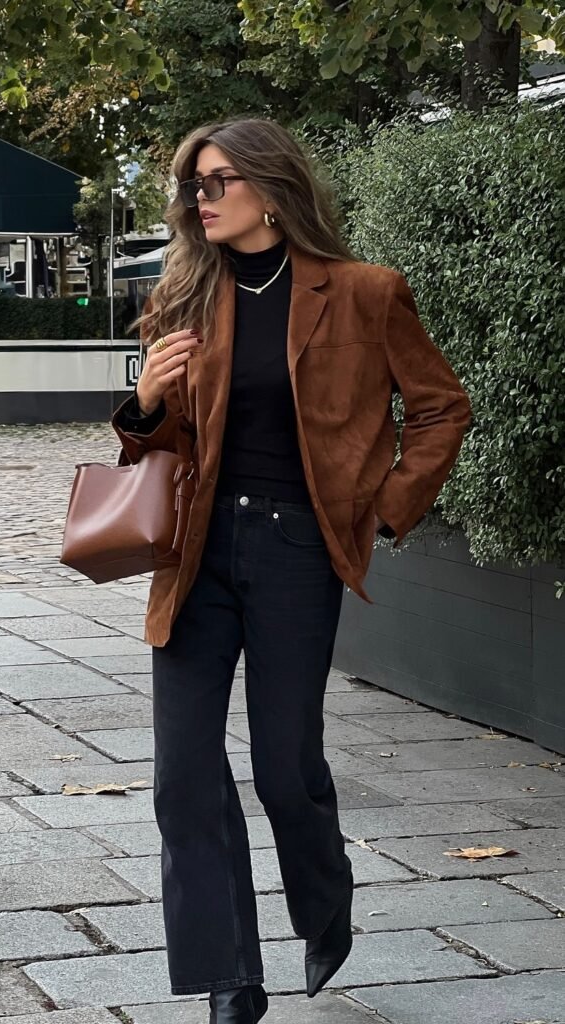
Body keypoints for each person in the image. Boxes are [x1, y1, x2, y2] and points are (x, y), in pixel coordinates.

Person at [111, 117, 472, 1024]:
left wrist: (382, 507)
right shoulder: (181, 300)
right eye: (193, 185)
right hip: (196, 550)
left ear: (270, 188)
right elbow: (159, 444)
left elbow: (439, 409)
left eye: (217, 181)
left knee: (284, 770)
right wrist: (145, 400)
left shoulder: (363, 293)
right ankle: (229, 979)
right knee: (182, 776)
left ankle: (323, 897)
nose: (200, 200)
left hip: (294, 552)